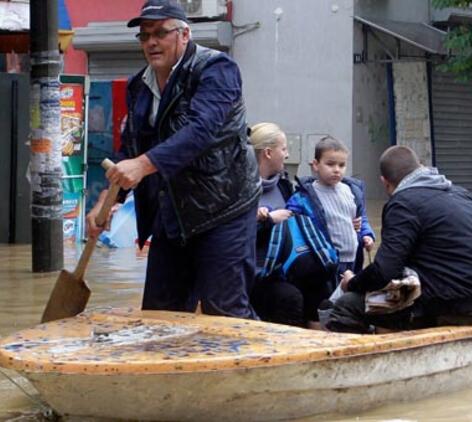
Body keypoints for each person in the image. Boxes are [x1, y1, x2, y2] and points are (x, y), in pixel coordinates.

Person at [86, 0, 261, 318]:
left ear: (184, 34)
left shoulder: (217, 70)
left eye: (160, 33)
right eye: (144, 35)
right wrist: (108, 198)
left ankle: (260, 364)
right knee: (159, 314)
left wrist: (142, 165)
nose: (151, 42)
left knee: (223, 310)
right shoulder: (138, 86)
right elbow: (131, 148)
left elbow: (200, 131)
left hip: (226, 208)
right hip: (174, 213)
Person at [325, 145, 472, 334]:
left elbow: (384, 271)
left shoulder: (402, 204)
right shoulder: (461, 194)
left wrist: (352, 283)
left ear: (385, 182)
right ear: (421, 167)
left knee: (348, 304)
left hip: (451, 307)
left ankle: (362, 361)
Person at [285, 136, 375, 322]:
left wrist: (366, 234)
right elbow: (291, 220)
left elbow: (361, 218)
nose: (336, 170)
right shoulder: (304, 196)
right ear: (315, 165)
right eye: (330, 164)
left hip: (352, 259)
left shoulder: (352, 191)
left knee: (348, 301)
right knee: (324, 303)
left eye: (341, 165)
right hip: (324, 261)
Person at [247, 122, 305, 326]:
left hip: (284, 269)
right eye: (284, 149)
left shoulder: (284, 184)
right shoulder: (240, 188)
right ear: (268, 153)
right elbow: (234, 235)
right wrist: (268, 220)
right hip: (253, 276)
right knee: (290, 298)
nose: (287, 155)